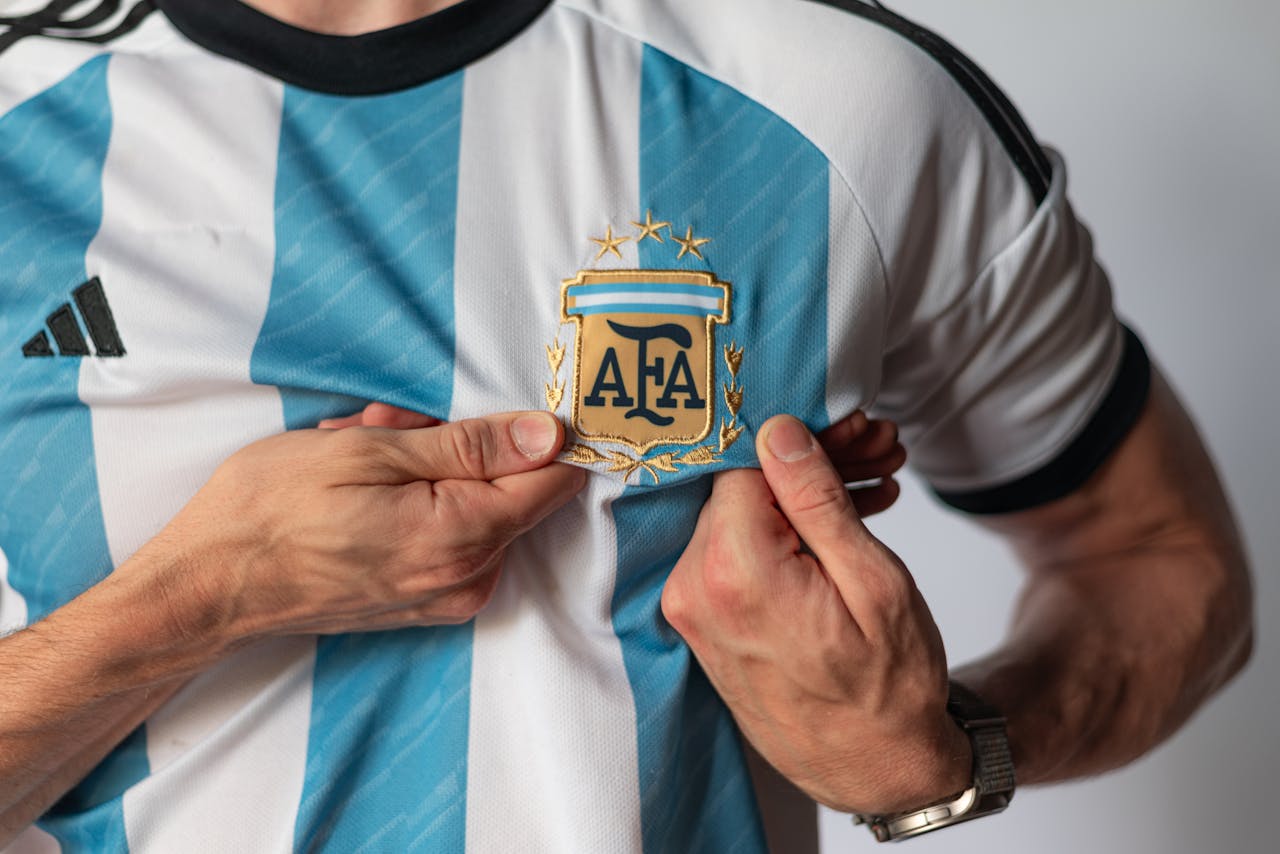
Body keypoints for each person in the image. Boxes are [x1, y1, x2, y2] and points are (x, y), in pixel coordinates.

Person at [0, 0, 1252, 852]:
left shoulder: (839, 96)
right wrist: (201, 594)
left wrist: (943, 747)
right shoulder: (20, 118)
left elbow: (1154, 559)